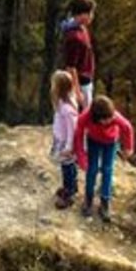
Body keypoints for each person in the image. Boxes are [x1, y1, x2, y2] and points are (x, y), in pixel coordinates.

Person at [71, 93, 136, 222]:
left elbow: (127, 127)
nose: (110, 120)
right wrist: (81, 156)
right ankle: (88, 199)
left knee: (108, 170)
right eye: (106, 119)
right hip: (93, 141)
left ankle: (105, 201)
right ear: (96, 118)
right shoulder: (85, 116)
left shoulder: (113, 115)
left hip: (111, 143)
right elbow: (78, 135)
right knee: (92, 169)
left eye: (111, 117)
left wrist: (128, 148)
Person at [50, 70, 87, 210]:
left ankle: (69, 193)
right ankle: (70, 187)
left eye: (54, 85)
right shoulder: (61, 103)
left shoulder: (67, 108)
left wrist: (69, 146)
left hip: (67, 143)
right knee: (66, 166)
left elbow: (73, 129)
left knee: (68, 167)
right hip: (61, 140)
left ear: (59, 88)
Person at [58, 0, 97, 103]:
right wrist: (77, 91)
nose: (92, 16)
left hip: (87, 80)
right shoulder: (74, 37)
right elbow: (71, 67)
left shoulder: (82, 29)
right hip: (80, 83)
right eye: (90, 13)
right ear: (82, 14)